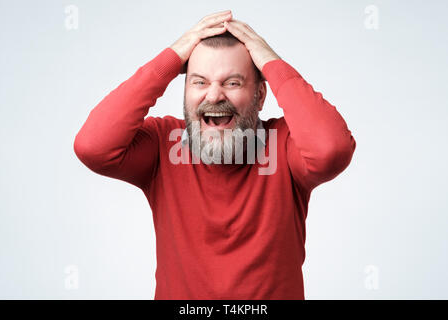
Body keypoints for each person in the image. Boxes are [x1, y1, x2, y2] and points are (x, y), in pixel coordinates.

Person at [73, 10, 356, 300]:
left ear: (260, 96)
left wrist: (271, 63)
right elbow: (93, 147)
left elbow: (331, 149)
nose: (214, 95)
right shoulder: (164, 144)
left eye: (232, 83)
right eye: (199, 82)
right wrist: (171, 58)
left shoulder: (283, 144)